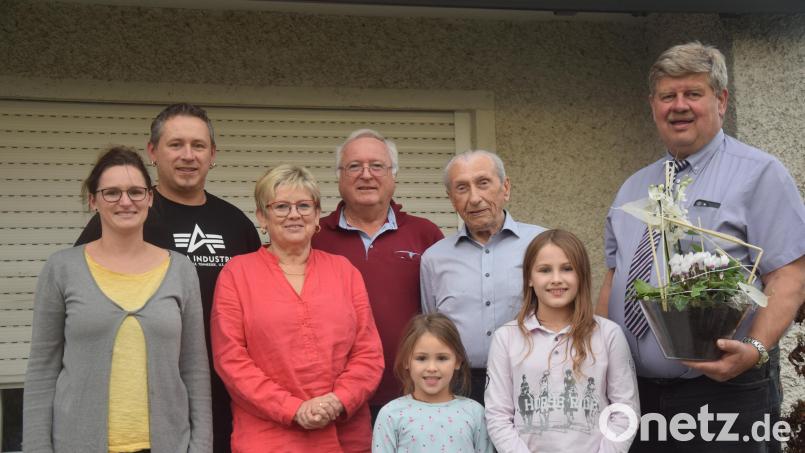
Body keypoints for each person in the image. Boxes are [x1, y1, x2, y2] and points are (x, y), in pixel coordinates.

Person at [598, 42, 805, 452]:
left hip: (723, 393)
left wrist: (755, 349)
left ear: (721, 100)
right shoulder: (634, 185)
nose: (679, 106)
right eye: (667, 96)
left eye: (693, 93)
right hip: (635, 396)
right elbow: (613, 276)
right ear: (653, 105)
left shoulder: (759, 174)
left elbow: (790, 275)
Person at [75, 103, 261, 452]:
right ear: (153, 152)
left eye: (198, 145)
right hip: (144, 397)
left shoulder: (237, 225)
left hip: (225, 396)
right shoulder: (126, 216)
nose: (188, 155)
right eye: (175, 144)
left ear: (213, 154)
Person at [24, 146, 211, 452]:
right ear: (93, 200)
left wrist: (200, 446)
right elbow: (42, 372)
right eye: (111, 193)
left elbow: (194, 371)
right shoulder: (62, 269)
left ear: (149, 198)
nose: (125, 201)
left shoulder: (180, 270)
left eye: (136, 192)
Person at [211, 165, 384, 452]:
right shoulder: (237, 274)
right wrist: (293, 408)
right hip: (269, 436)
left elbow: (368, 353)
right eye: (281, 207)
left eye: (304, 205)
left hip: (345, 435)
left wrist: (339, 400)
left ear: (317, 215)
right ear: (261, 217)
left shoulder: (344, 272)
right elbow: (231, 360)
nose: (294, 215)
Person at [312, 129, 444, 417]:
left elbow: (440, 315)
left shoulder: (426, 234)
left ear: (393, 175)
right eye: (354, 166)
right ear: (339, 176)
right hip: (335, 397)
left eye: (377, 166)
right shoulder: (314, 236)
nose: (366, 175)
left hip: (413, 393)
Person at [486, 229, 638, 452]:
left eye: (567, 269)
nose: (556, 279)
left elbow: (625, 410)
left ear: (581, 275)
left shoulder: (608, 335)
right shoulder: (506, 338)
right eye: (545, 270)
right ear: (529, 277)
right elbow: (498, 415)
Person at [420, 149, 546, 404]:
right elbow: (432, 327)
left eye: (483, 183)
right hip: (458, 387)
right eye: (462, 188)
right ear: (451, 198)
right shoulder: (433, 259)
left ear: (505, 187)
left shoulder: (542, 245)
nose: (474, 198)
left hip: (531, 382)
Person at [371, 313, 493, 453]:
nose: (432, 368)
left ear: (457, 361)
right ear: (406, 361)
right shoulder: (390, 414)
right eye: (421, 358)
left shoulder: (475, 413)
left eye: (442, 358)